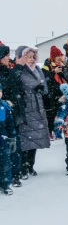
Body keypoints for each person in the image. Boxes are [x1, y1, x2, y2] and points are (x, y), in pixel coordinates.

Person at [17, 48, 50, 179]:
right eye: (28, 56)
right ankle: (23, 167)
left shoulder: (37, 69)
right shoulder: (20, 70)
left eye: (32, 56)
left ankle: (31, 165)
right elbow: (18, 87)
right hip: (26, 106)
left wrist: (41, 89)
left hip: (38, 106)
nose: (31, 59)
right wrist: (30, 89)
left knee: (36, 137)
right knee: (26, 138)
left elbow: (44, 85)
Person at [0, 44, 26, 186]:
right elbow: (9, 83)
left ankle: (15, 174)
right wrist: (17, 67)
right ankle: (8, 177)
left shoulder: (7, 70)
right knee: (8, 146)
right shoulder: (5, 72)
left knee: (14, 145)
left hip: (12, 112)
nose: (8, 58)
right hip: (4, 115)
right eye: (6, 56)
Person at [42, 46, 67, 140]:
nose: (59, 58)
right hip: (51, 93)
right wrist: (53, 72)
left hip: (62, 92)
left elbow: (66, 77)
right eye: (57, 56)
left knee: (62, 112)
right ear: (53, 57)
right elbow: (44, 78)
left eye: (60, 55)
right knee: (51, 113)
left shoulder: (63, 65)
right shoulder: (47, 65)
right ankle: (50, 131)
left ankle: (59, 131)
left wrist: (62, 72)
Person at [0, 83, 18, 196]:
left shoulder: (5, 106)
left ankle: (5, 183)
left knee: (5, 161)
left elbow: (10, 124)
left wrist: (12, 137)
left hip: (3, 137)